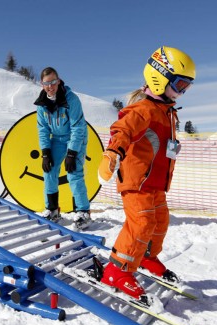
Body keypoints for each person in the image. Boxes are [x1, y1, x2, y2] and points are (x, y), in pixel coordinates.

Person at [97, 46, 196, 299]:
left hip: (155, 183)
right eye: (180, 84)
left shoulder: (167, 111)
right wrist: (112, 153)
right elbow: (123, 129)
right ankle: (117, 270)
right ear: (159, 78)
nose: (182, 92)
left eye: (187, 87)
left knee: (160, 222)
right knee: (140, 223)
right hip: (136, 181)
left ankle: (145, 258)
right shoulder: (144, 109)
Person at [34, 67, 91, 230]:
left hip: (75, 137)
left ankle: (83, 211)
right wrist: (45, 153)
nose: (50, 86)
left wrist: (72, 153)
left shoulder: (71, 99)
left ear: (58, 81)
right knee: (49, 170)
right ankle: (52, 209)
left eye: (53, 82)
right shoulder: (42, 104)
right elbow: (43, 129)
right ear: (42, 84)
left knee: (73, 172)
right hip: (57, 139)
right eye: (46, 83)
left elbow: (78, 128)